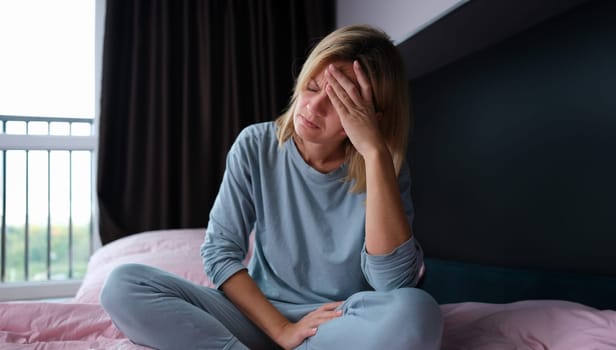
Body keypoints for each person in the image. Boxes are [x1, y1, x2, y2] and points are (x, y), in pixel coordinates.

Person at [101, 24, 443, 350]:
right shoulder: (256, 145)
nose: (313, 107)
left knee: (419, 312)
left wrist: (374, 152)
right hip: (261, 318)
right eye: (312, 86)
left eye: (338, 101)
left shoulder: (383, 165)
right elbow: (220, 253)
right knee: (123, 285)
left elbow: (392, 284)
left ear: (371, 115)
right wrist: (282, 330)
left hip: (338, 322)